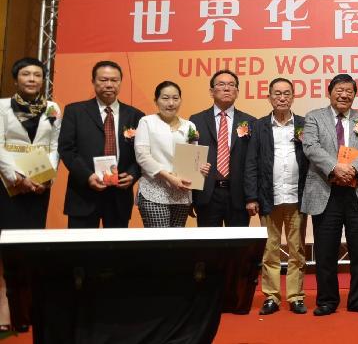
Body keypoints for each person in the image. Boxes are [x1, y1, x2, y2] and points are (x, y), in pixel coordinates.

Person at [301, 74, 358, 316]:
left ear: (355, 95)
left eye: (349, 91)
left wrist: (353, 168)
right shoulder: (314, 117)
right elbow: (310, 146)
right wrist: (335, 168)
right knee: (325, 251)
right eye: (339, 90)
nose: (344, 94)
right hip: (326, 191)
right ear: (329, 92)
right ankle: (327, 300)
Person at [0, 58, 61, 333]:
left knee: (33, 248)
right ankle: (16, 316)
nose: (32, 79)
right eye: (26, 74)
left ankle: (33, 312)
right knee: (12, 251)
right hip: (8, 185)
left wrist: (42, 177)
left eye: (37, 75)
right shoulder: (1, 107)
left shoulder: (52, 108)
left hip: (39, 185)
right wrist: (16, 177)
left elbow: (54, 144)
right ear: (16, 79)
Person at [245, 78, 310, 315]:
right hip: (268, 198)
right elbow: (251, 164)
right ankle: (271, 296)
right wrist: (251, 197)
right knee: (270, 250)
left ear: (293, 97)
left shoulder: (304, 124)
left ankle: (295, 296)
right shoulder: (259, 126)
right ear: (269, 97)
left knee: (297, 250)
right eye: (277, 94)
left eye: (286, 94)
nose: (282, 98)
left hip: (297, 197)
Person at [60, 60, 144, 228]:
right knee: (81, 251)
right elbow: (66, 149)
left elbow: (141, 153)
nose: (109, 85)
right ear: (93, 81)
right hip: (83, 193)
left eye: (114, 80)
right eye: (103, 80)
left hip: (119, 194)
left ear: (120, 82)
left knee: (116, 252)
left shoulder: (135, 115)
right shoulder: (75, 111)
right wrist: (87, 176)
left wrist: (133, 174)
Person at [134, 81, 209, 228]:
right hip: (154, 191)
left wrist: (200, 169)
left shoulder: (189, 126)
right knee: (159, 243)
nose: (171, 103)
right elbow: (142, 156)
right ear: (156, 100)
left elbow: (193, 158)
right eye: (165, 98)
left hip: (181, 193)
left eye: (175, 98)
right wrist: (169, 177)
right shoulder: (147, 122)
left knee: (176, 244)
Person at [189, 70, 255, 227]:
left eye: (231, 85)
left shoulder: (250, 121)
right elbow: (191, 159)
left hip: (238, 195)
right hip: (207, 194)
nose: (227, 88)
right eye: (221, 84)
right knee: (209, 248)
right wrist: (189, 197)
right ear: (211, 91)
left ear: (237, 92)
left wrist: (252, 197)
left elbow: (253, 162)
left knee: (238, 248)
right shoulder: (195, 120)